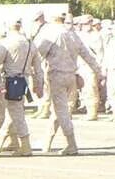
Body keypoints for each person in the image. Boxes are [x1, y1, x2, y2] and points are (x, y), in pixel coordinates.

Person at [38, 11, 103, 155]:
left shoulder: (52, 33)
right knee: (59, 110)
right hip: (71, 76)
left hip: (57, 75)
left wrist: (35, 73)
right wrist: (99, 72)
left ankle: (71, 143)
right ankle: (47, 142)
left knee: (61, 111)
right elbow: (87, 55)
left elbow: (38, 53)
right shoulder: (73, 35)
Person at [0, 16, 44, 157]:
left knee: (16, 113)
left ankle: (25, 144)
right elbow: (38, 66)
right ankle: (2, 141)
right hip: (24, 80)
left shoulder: (6, 42)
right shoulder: (29, 43)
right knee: (13, 112)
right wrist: (39, 84)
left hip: (10, 80)